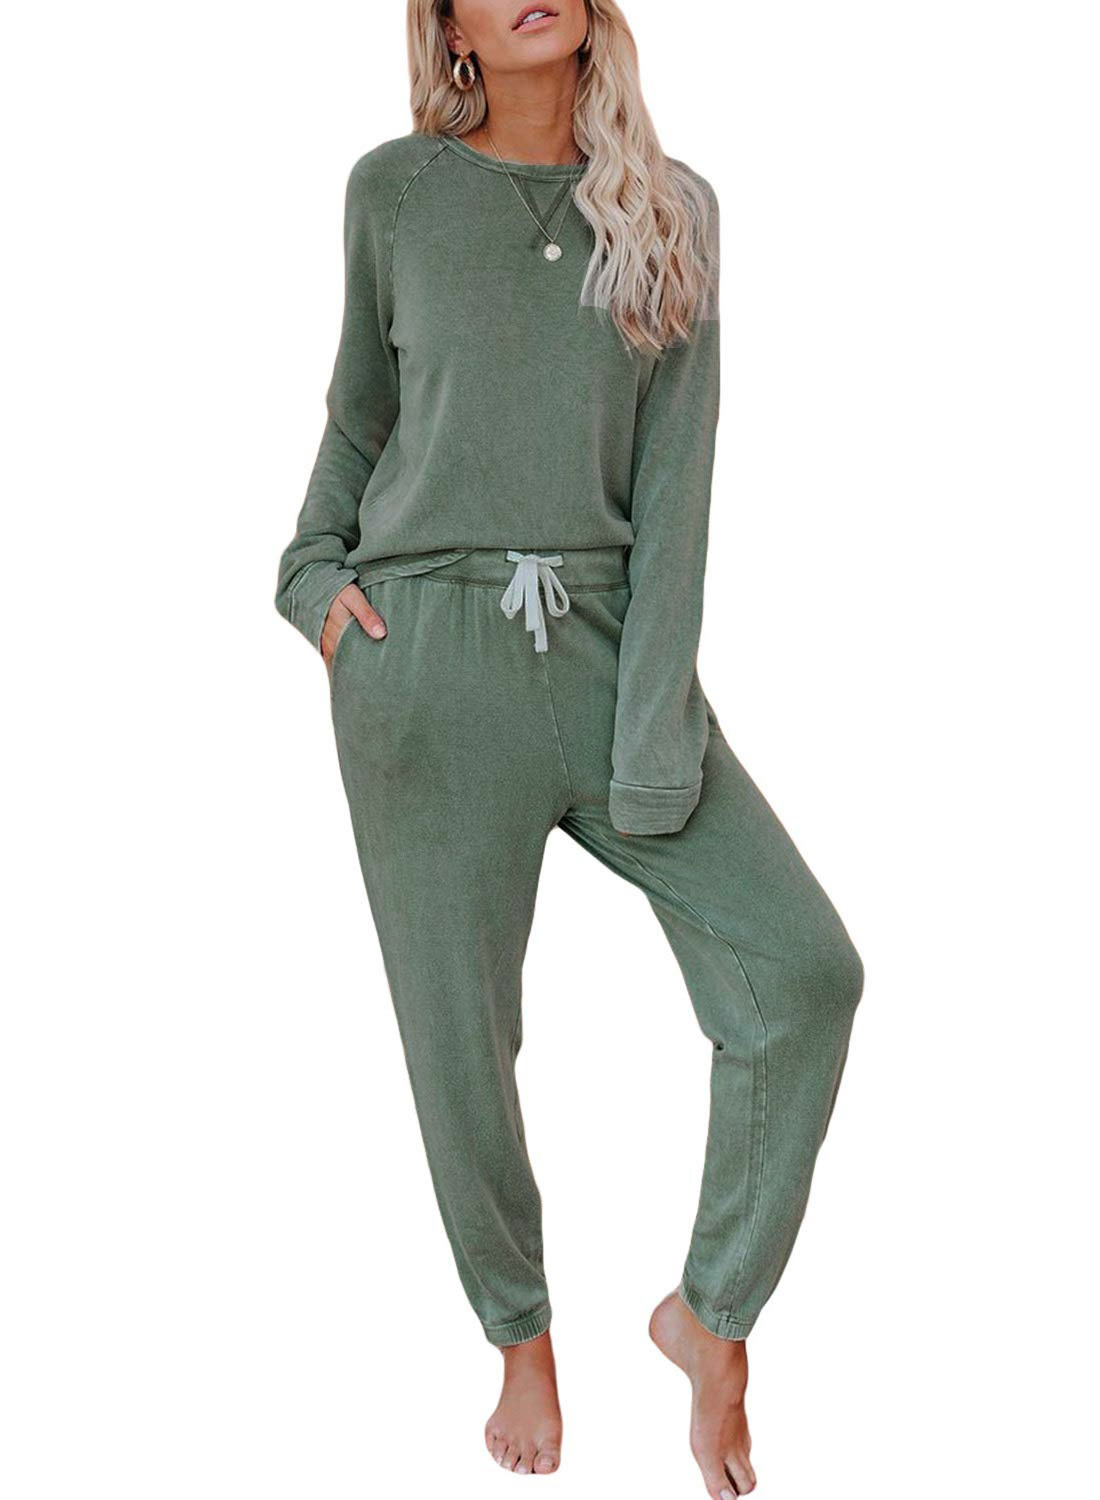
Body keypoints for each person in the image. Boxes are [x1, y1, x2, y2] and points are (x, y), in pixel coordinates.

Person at [274, 2, 865, 1494]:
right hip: (423, 661)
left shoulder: (675, 212)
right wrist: (313, 585)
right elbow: (357, 420)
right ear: (452, 26)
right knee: (462, 1038)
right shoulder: (395, 193)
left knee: (804, 973)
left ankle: (709, 1317)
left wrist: (655, 731)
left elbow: (679, 488)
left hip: (608, 648)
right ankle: (520, 1337)